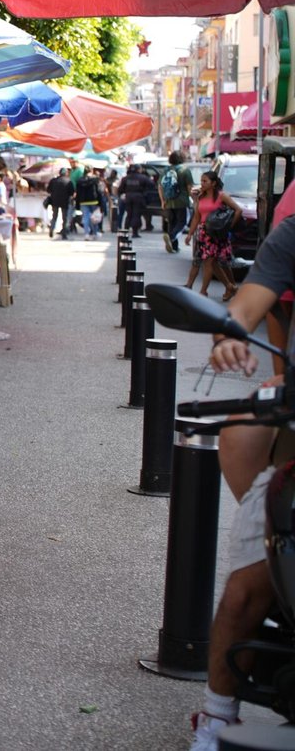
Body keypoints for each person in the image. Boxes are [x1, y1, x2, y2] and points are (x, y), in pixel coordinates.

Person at [190, 225, 295, 750]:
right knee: (248, 584)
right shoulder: (291, 235)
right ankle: (215, 718)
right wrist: (229, 337)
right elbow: (246, 307)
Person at [186, 169, 242, 301]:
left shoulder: (221, 196)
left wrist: (229, 226)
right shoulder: (200, 197)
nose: (202, 183)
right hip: (204, 233)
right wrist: (190, 234)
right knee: (211, 262)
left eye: (205, 181)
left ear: (213, 183)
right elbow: (196, 217)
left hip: (217, 234)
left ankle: (207, 290)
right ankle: (228, 287)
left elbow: (238, 210)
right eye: (201, 181)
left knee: (218, 262)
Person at [161, 151, 196, 253]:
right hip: (182, 201)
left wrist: (163, 201)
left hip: (168, 201)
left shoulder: (165, 170)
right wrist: (195, 200)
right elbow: (190, 188)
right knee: (183, 222)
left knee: (172, 223)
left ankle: (174, 247)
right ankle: (171, 237)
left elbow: (160, 187)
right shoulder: (185, 170)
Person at [118, 164, 155, 238]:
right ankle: (135, 233)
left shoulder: (125, 178)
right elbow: (152, 184)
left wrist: (123, 195)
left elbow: (120, 189)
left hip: (128, 197)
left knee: (129, 215)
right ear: (138, 170)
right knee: (136, 215)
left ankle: (125, 231)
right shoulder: (143, 178)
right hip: (139, 198)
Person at [45, 166, 74, 240]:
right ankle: (64, 233)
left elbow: (48, 190)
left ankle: (52, 228)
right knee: (64, 218)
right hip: (65, 201)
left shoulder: (53, 180)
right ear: (66, 173)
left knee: (54, 216)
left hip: (54, 201)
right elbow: (71, 192)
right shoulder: (68, 181)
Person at [74, 169, 104, 239]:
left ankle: (86, 234)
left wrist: (77, 204)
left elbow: (78, 193)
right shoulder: (95, 179)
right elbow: (98, 191)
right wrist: (100, 203)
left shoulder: (80, 181)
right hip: (94, 201)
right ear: (91, 171)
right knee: (94, 218)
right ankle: (95, 233)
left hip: (83, 201)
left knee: (86, 218)